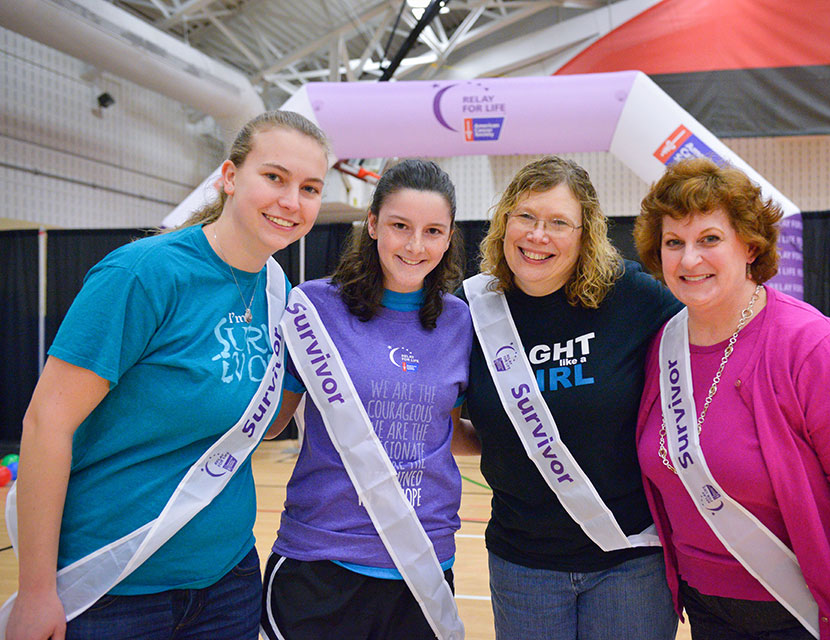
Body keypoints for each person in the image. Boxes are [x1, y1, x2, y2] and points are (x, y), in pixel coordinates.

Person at [4, 110, 329, 640]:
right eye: (274, 177)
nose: (292, 201)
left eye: (310, 187)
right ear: (228, 177)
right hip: (114, 588)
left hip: (228, 582)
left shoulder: (279, 291)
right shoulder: (142, 273)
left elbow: (259, 424)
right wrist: (36, 592)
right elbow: (46, 425)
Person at [634, 157, 830, 640]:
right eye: (674, 243)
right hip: (703, 610)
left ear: (750, 246)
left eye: (710, 239)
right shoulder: (662, 344)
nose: (689, 259)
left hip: (799, 617)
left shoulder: (808, 345)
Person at [461, 155, 682, 640]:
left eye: (559, 223)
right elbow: (456, 422)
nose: (539, 236)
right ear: (503, 223)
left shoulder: (631, 296)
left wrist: (822, 350)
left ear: (584, 234)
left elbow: (723, 325)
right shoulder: (472, 313)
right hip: (523, 563)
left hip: (630, 560)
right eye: (526, 217)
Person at [260, 159, 475, 640]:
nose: (416, 246)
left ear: (448, 237)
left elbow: (446, 428)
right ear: (373, 224)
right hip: (321, 562)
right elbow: (272, 423)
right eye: (400, 226)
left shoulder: (462, 322)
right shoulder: (313, 308)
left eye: (433, 231)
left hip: (422, 563)